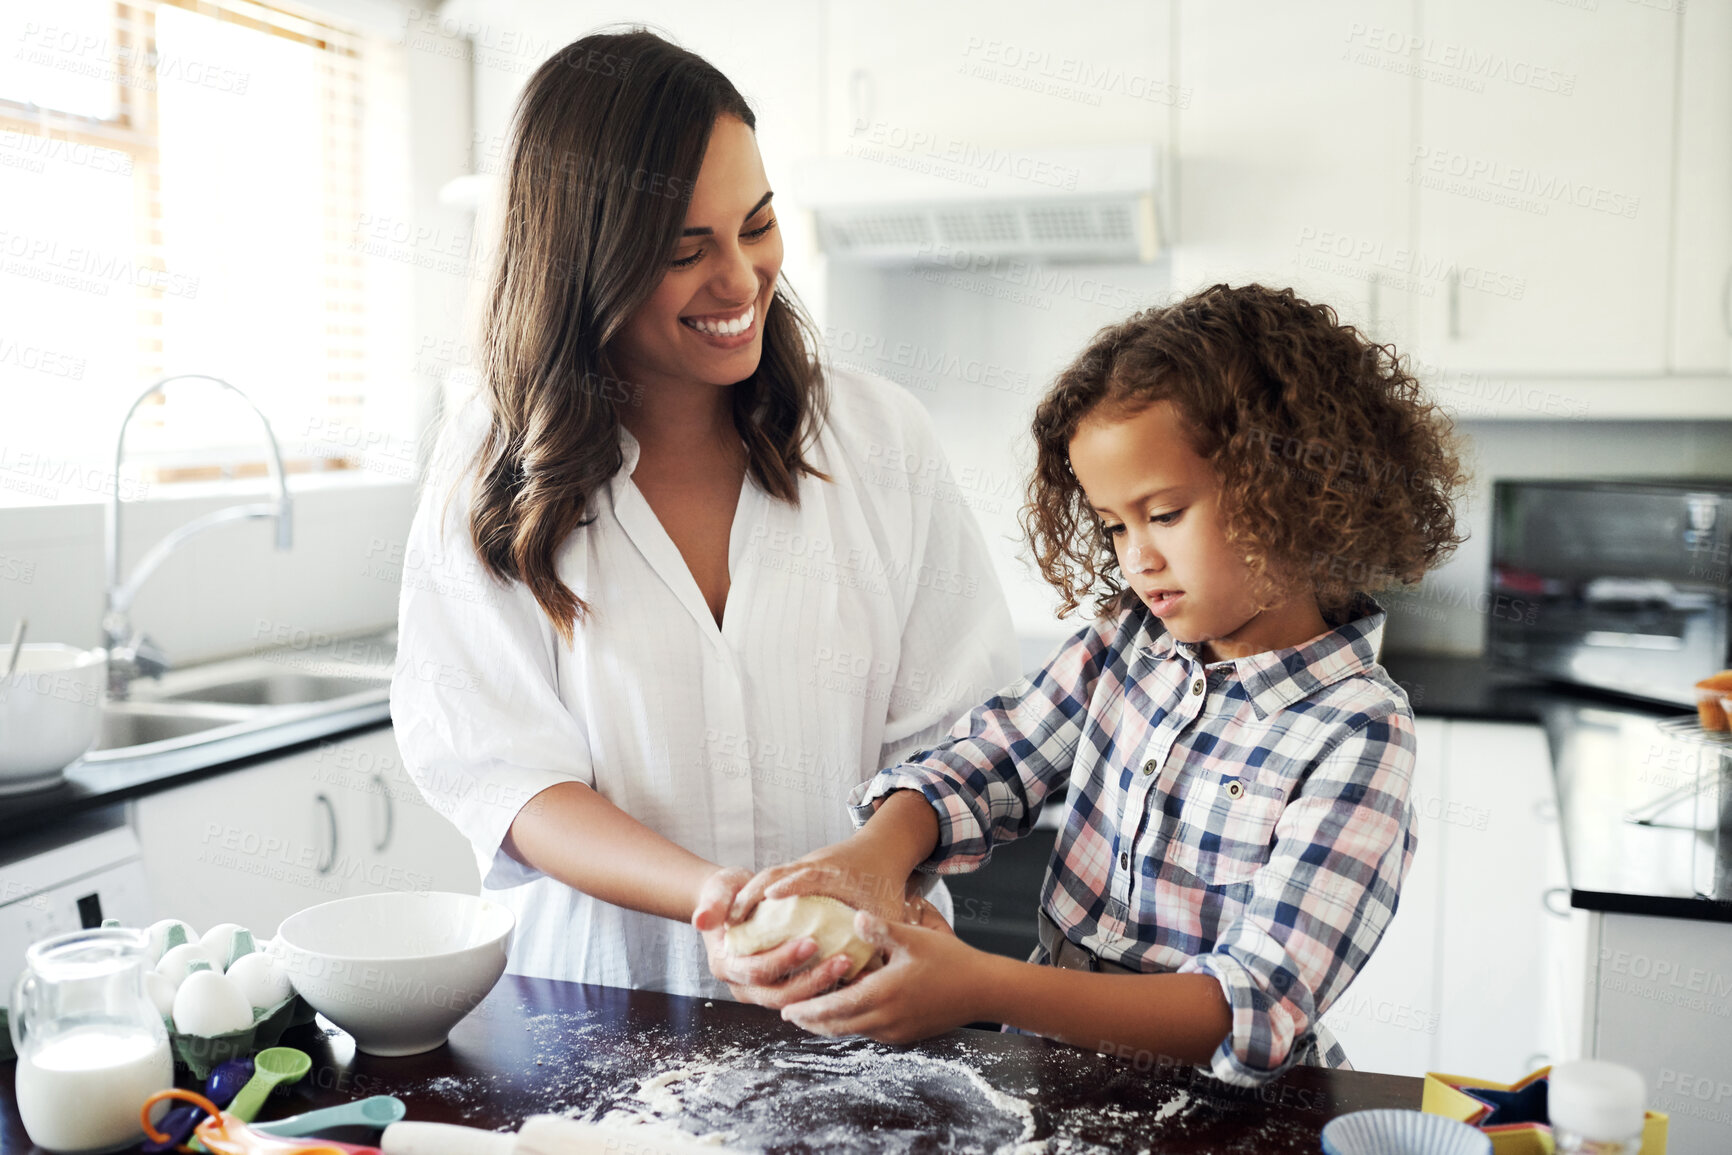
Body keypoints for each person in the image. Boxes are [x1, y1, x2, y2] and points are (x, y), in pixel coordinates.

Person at [389, 28, 1019, 1003]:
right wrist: (715, 901)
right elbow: (505, 775)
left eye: (756, 225)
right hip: (600, 1009)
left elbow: (963, 731)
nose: (740, 280)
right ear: (578, 263)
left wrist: (869, 866)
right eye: (685, 250)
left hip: (865, 997)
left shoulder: (879, 439)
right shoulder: (492, 462)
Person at [727, 283, 1468, 1086]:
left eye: (1165, 513)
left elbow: (1253, 1003)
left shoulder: (1356, 731)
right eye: (1114, 524)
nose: (1136, 557)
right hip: (1060, 1075)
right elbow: (993, 762)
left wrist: (977, 983)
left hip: (1231, 1118)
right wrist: (876, 852)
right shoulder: (1126, 646)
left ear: (1293, 490)